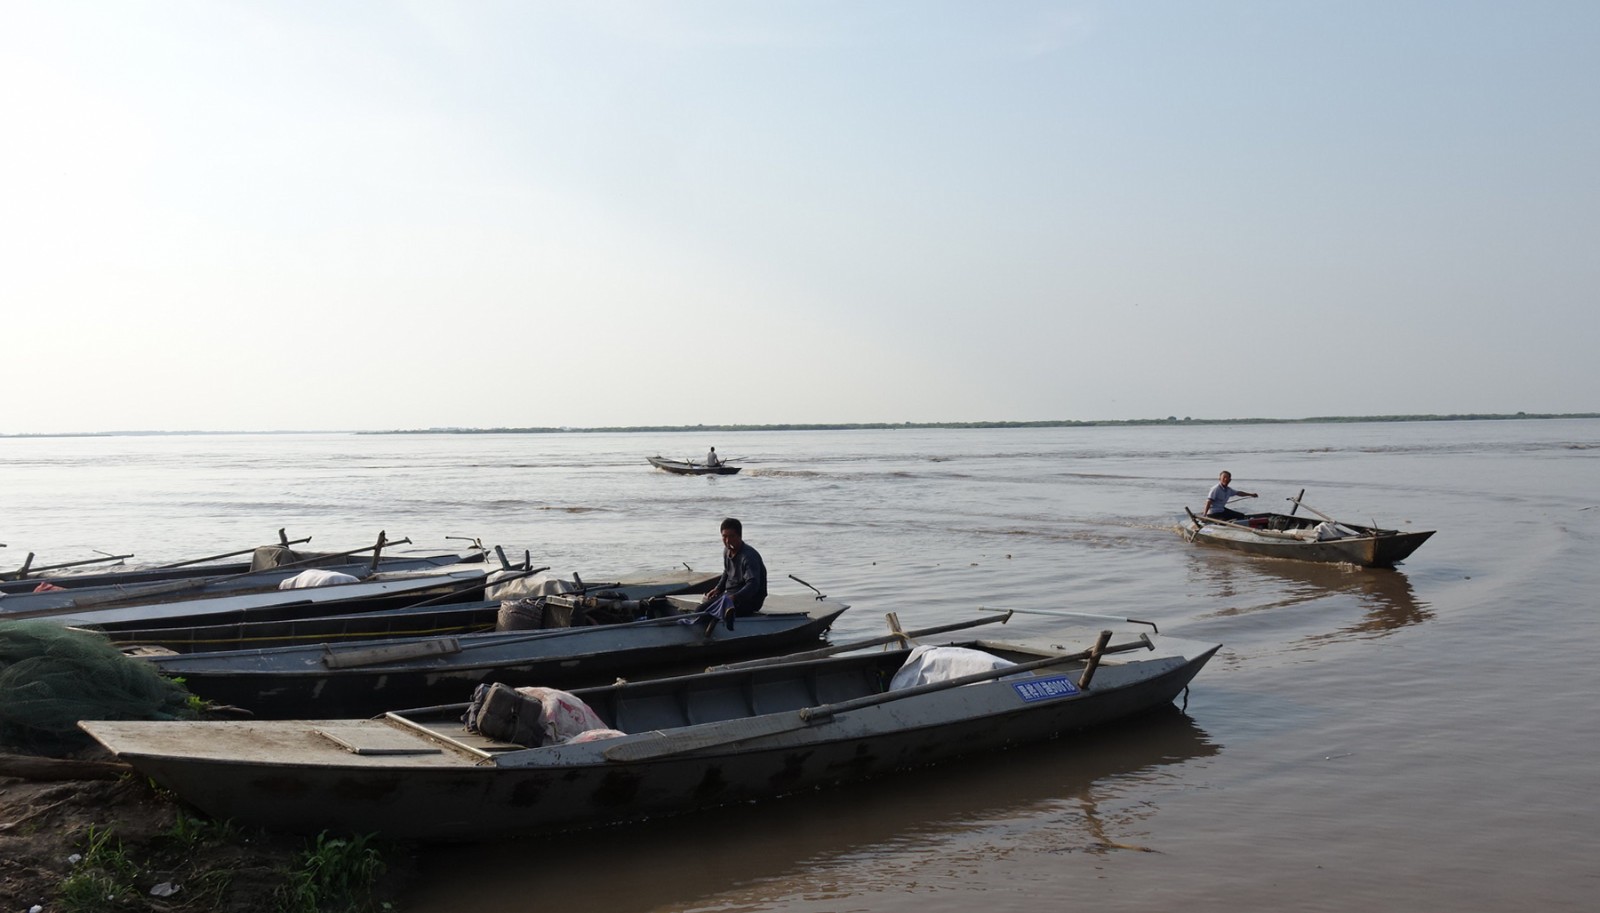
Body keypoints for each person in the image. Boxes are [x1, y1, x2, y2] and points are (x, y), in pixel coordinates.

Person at [698, 517, 767, 631]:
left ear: (739, 536)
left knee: (717, 609)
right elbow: (727, 571)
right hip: (730, 595)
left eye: (731, 536)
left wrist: (735, 597)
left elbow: (753, 584)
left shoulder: (748, 557)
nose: (727, 541)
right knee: (701, 608)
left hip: (749, 600)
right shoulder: (727, 551)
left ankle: (723, 620)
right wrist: (718, 589)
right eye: (724, 536)